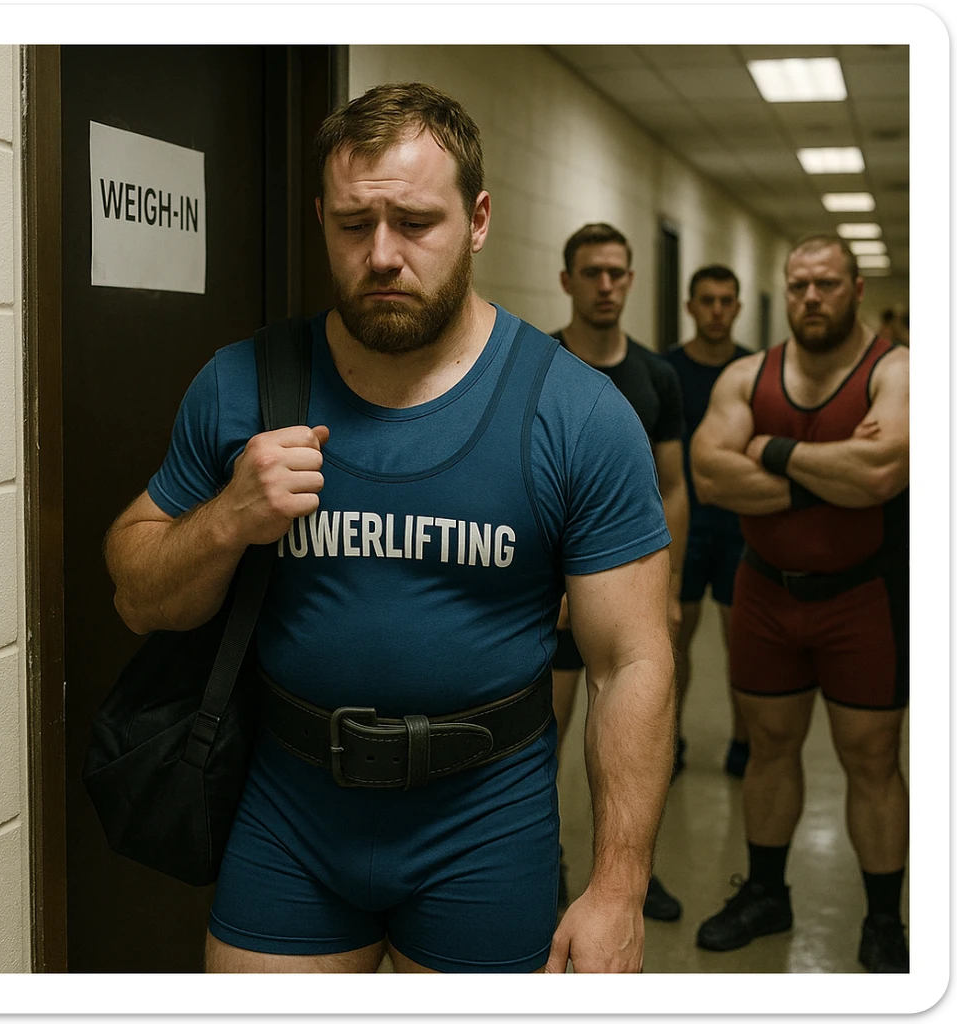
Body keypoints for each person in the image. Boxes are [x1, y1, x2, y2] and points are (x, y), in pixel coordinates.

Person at [103, 83, 676, 974]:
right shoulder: (246, 383)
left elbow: (630, 661)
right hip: (291, 814)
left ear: (477, 220)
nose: (380, 255)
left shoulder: (574, 413)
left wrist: (618, 887)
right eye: (352, 225)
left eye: (414, 223)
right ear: (322, 221)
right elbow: (137, 596)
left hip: (486, 820)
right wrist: (227, 520)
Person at [690, 233, 910, 973]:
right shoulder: (748, 376)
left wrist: (770, 450)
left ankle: (884, 921)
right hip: (766, 594)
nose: (811, 297)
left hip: (864, 598)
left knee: (872, 759)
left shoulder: (898, 371)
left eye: (827, 283)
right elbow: (710, 476)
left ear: (857, 288)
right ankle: (765, 894)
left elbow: (882, 474)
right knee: (769, 748)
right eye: (798, 285)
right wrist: (834, 475)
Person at [549, 223, 688, 923]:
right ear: (567, 281)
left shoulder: (657, 376)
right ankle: (546, 869)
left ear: (631, 279)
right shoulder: (537, 364)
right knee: (540, 744)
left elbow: (673, 488)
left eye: (617, 273)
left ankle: (631, 873)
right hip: (551, 606)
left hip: (628, 599)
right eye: (591, 272)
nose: (606, 286)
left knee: (626, 747)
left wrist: (667, 589)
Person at [662, 265, 752, 778]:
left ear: (737, 307)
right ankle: (669, 741)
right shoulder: (667, 371)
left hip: (742, 526)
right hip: (683, 525)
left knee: (743, 644)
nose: (717, 310)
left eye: (725, 300)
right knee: (676, 640)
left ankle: (744, 742)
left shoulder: (753, 370)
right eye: (707, 300)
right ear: (690, 307)